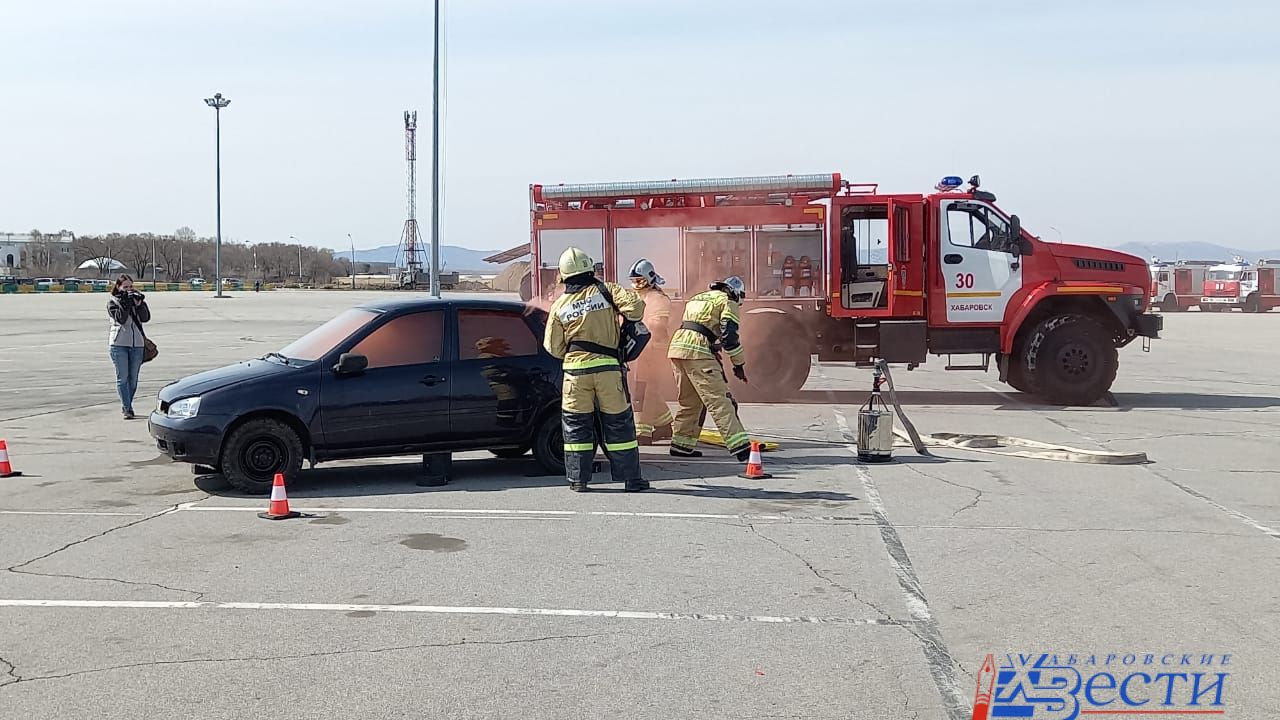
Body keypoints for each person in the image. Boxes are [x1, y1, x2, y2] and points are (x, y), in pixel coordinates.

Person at [543, 247, 648, 492]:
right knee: (618, 424)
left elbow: (553, 346)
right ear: (590, 269)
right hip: (608, 372)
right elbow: (636, 309)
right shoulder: (607, 290)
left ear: (563, 276)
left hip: (575, 375)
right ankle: (631, 479)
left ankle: (578, 480)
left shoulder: (559, 305)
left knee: (577, 426)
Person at [667, 276, 752, 461]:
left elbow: (697, 326)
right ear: (735, 292)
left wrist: (712, 344)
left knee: (690, 401)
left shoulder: (699, 297)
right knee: (720, 401)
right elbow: (729, 336)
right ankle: (741, 447)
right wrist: (739, 365)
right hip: (698, 352)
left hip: (677, 349)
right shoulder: (728, 301)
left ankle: (681, 445)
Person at [627, 258, 675, 445]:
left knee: (646, 392)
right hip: (644, 350)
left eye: (639, 281)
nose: (635, 285)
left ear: (650, 279)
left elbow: (658, 325)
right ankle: (664, 425)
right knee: (647, 391)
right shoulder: (641, 297)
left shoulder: (659, 299)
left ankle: (643, 433)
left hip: (656, 351)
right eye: (633, 281)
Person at [107, 274, 151, 420]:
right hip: (119, 344)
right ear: (118, 287)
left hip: (137, 344)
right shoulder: (113, 302)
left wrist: (140, 305)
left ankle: (127, 404)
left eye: (131, 286)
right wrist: (125, 303)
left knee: (133, 379)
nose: (128, 290)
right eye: (125, 287)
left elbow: (145, 318)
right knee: (123, 378)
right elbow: (121, 319)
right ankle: (127, 408)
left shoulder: (135, 300)